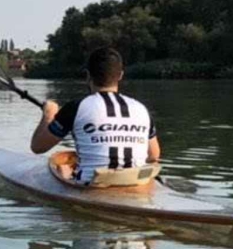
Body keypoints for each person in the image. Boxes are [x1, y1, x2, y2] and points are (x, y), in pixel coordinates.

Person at [31, 47, 159, 186]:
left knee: (64, 169)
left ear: (87, 75)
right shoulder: (141, 109)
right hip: (138, 186)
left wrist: (49, 114)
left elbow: (38, 147)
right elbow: (153, 155)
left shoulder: (76, 107)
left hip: (92, 189)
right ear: (120, 75)